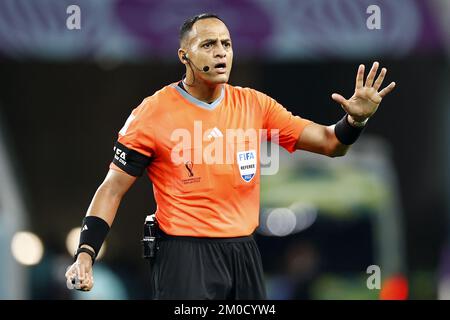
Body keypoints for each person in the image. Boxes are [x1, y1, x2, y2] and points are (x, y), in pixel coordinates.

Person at [65, 13, 396, 299]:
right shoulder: (152, 113)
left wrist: (356, 120)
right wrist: (86, 253)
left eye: (226, 44)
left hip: (243, 252)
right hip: (184, 254)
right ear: (185, 55)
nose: (221, 53)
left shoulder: (254, 105)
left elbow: (330, 144)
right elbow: (112, 188)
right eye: (208, 45)